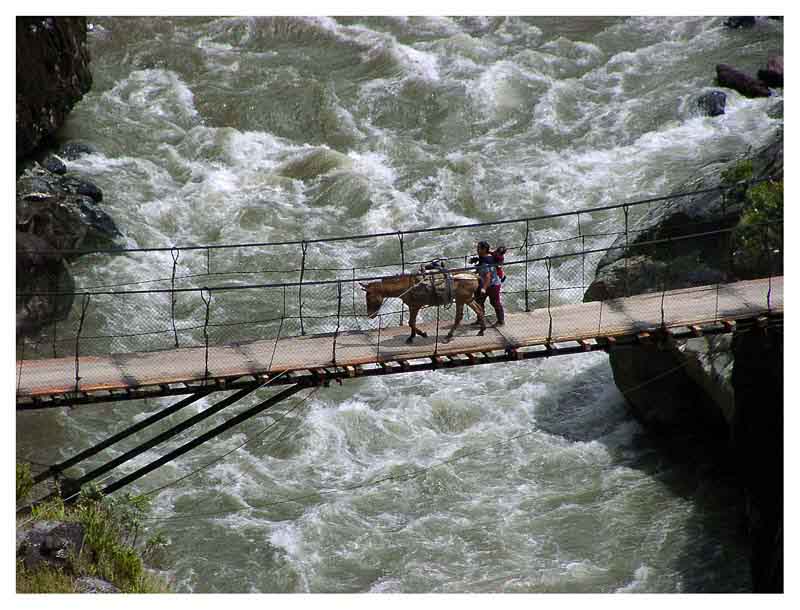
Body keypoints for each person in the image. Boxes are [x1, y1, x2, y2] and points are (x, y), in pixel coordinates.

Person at [471, 241, 504, 326]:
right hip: (485, 283)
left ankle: (501, 321)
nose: (477, 250)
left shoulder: (487, 261)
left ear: (484, 249)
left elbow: (488, 276)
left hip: (493, 285)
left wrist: (483, 289)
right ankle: (480, 320)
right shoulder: (483, 257)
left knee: (495, 303)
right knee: (479, 302)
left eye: (479, 248)